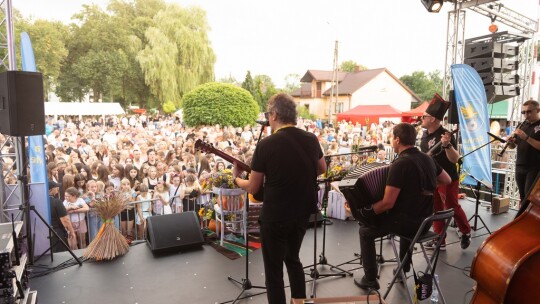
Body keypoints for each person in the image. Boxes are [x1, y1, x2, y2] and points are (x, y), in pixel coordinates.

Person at [233, 93, 326, 304]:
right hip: (302, 212)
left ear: (274, 114)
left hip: (276, 216)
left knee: (273, 271)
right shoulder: (311, 139)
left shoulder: (267, 144)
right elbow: (321, 168)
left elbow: (254, 186)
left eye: (268, 113)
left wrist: (237, 179)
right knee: (293, 259)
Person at [354, 123, 451, 290]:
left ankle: (370, 279)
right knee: (406, 218)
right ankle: (403, 268)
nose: (392, 140)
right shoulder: (428, 159)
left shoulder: (400, 164)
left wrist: (364, 212)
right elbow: (447, 179)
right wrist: (426, 185)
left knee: (365, 231)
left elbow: (387, 203)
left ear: (397, 140)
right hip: (425, 221)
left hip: (408, 223)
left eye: (392, 137)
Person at [420, 95, 471, 250]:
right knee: (436, 209)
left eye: (425, 116)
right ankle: (439, 239)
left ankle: (466, 231)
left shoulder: (445, 135)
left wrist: (447, 145)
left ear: (434, 119)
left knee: (451, 206)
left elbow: (455, 159)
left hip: (448, 179)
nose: (422, 118)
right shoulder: (424, 135)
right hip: (433, 178)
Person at [505, 99, 540, 215]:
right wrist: (510, 142)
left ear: (538, 110)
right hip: (520, 164)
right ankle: (521, 219)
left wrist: (526, 137)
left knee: (528, 197)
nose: (526, 115)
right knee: (522, 195)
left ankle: (519, 219)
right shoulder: (523, 125)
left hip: (534, 167)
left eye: (529, 112)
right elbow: (513, 146)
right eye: (523, 112)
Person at [48, 181, 76, 253]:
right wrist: (72, 232)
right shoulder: (57, 202)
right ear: (51, 190)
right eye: (56, 187)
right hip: (57, 233)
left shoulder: (40, 201)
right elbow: (65, 220)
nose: (57, 188)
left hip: (44, 233)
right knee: (62, 255)